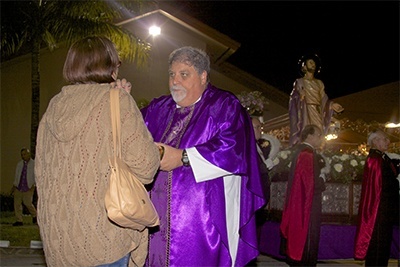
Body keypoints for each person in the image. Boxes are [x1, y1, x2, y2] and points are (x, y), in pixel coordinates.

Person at [34, 36, 160, 267]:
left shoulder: (53, 108)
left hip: (58, 239)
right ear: (109, 65)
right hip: (103, 238)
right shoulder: (117, 99)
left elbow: (41, 173)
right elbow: (146, 166)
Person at [141, 46, 265, 266]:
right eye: (171, 74)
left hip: (202, 223)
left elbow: (233, 149)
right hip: (156, 219)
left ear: (203, 76)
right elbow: (131, 131)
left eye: (184, 74)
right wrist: (119, 99)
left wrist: (184, 157)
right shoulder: (159, 107)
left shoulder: (224, 105)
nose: (175, 81)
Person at [280, 124, 327, 267]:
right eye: (319, 135)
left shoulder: (302, 151)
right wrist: (322, 179)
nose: (321, 138)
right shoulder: (307, 153)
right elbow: (310, 184)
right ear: (310, 136)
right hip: (308, 206)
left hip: (301, 203)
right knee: (308, 241)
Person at [354, 129, 399, 267]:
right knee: (378, 247)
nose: (388, 141)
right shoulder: (375, 159)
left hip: (385, 210)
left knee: (383, 247)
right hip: (380, 211)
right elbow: (382, 186)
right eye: (384, 139)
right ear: (375, 141)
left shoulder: (381, 158)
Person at [289, 54, 344, 147]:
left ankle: (319, 151)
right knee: (306, 132)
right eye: (310, 63)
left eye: (314, 63)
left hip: (318, 111)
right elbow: (293, 98)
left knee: (319, 132)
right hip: (305, 111)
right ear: (304, 67)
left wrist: (332, 105)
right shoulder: (300, 82)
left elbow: (324, 99)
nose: (313, 64)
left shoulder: (319, 83)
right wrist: (300, 96)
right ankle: (304, 149)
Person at [11, 148, 37, 226]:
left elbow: (36, 175)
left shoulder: (34, 164)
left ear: (28, 154)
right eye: (22, 155)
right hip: (19, 186)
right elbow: (17, 175)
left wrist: (34, 185)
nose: (23, 156)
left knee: (28, 203)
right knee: (17, 204)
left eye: (24, 154)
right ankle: (19, 220)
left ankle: (35, 216)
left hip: (28, 186)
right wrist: (14, 185)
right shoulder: (19, 164)